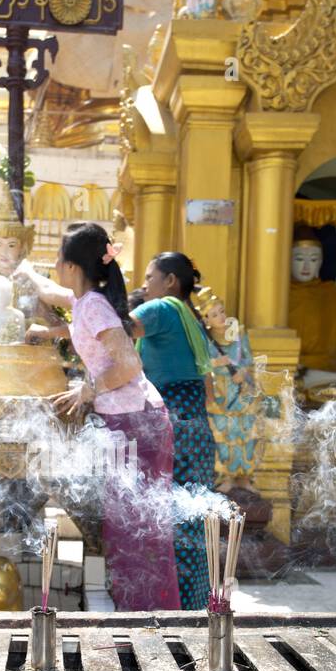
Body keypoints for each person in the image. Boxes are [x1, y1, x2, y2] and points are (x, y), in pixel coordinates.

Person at [26, 223, 180, 611]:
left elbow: (129, 363)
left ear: (73, 266)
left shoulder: (93, 304)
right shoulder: (85, 299)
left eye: (58, 260)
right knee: (128, 526)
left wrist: (88, 389)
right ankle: (143, 618)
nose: (56, 266)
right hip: (128, 423)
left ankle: (151, 623)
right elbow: (52, 293)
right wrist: (22, 272)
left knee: (137, 530)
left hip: (136, 425)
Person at [130, 252, 217, 610]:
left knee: (166, 525)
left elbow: (116, 333)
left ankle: (169, 611)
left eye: (150, 276)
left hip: (172, 431)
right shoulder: (191, 320)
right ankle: (194, 609)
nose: (144, 283)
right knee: (191, 526)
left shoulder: (162, 307)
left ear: (169, 281)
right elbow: (210, 393)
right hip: (196, 433)